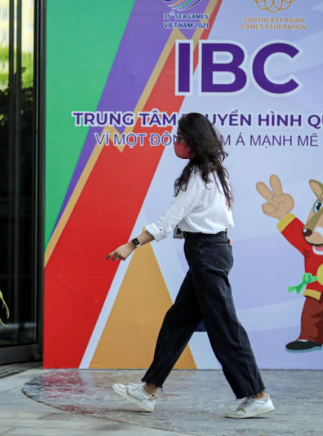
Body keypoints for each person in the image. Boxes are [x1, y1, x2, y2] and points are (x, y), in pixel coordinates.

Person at [106, 112, 274, 419]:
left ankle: (257, 394)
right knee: (178, 321)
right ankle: (148, 391)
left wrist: (132, 245)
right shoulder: (213, 171)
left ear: (194, 142)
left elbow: (168, 221)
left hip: (207, 253)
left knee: (225, 328)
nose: (176, 142)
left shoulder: (199, 176)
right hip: (209, 252)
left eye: (180, 138)